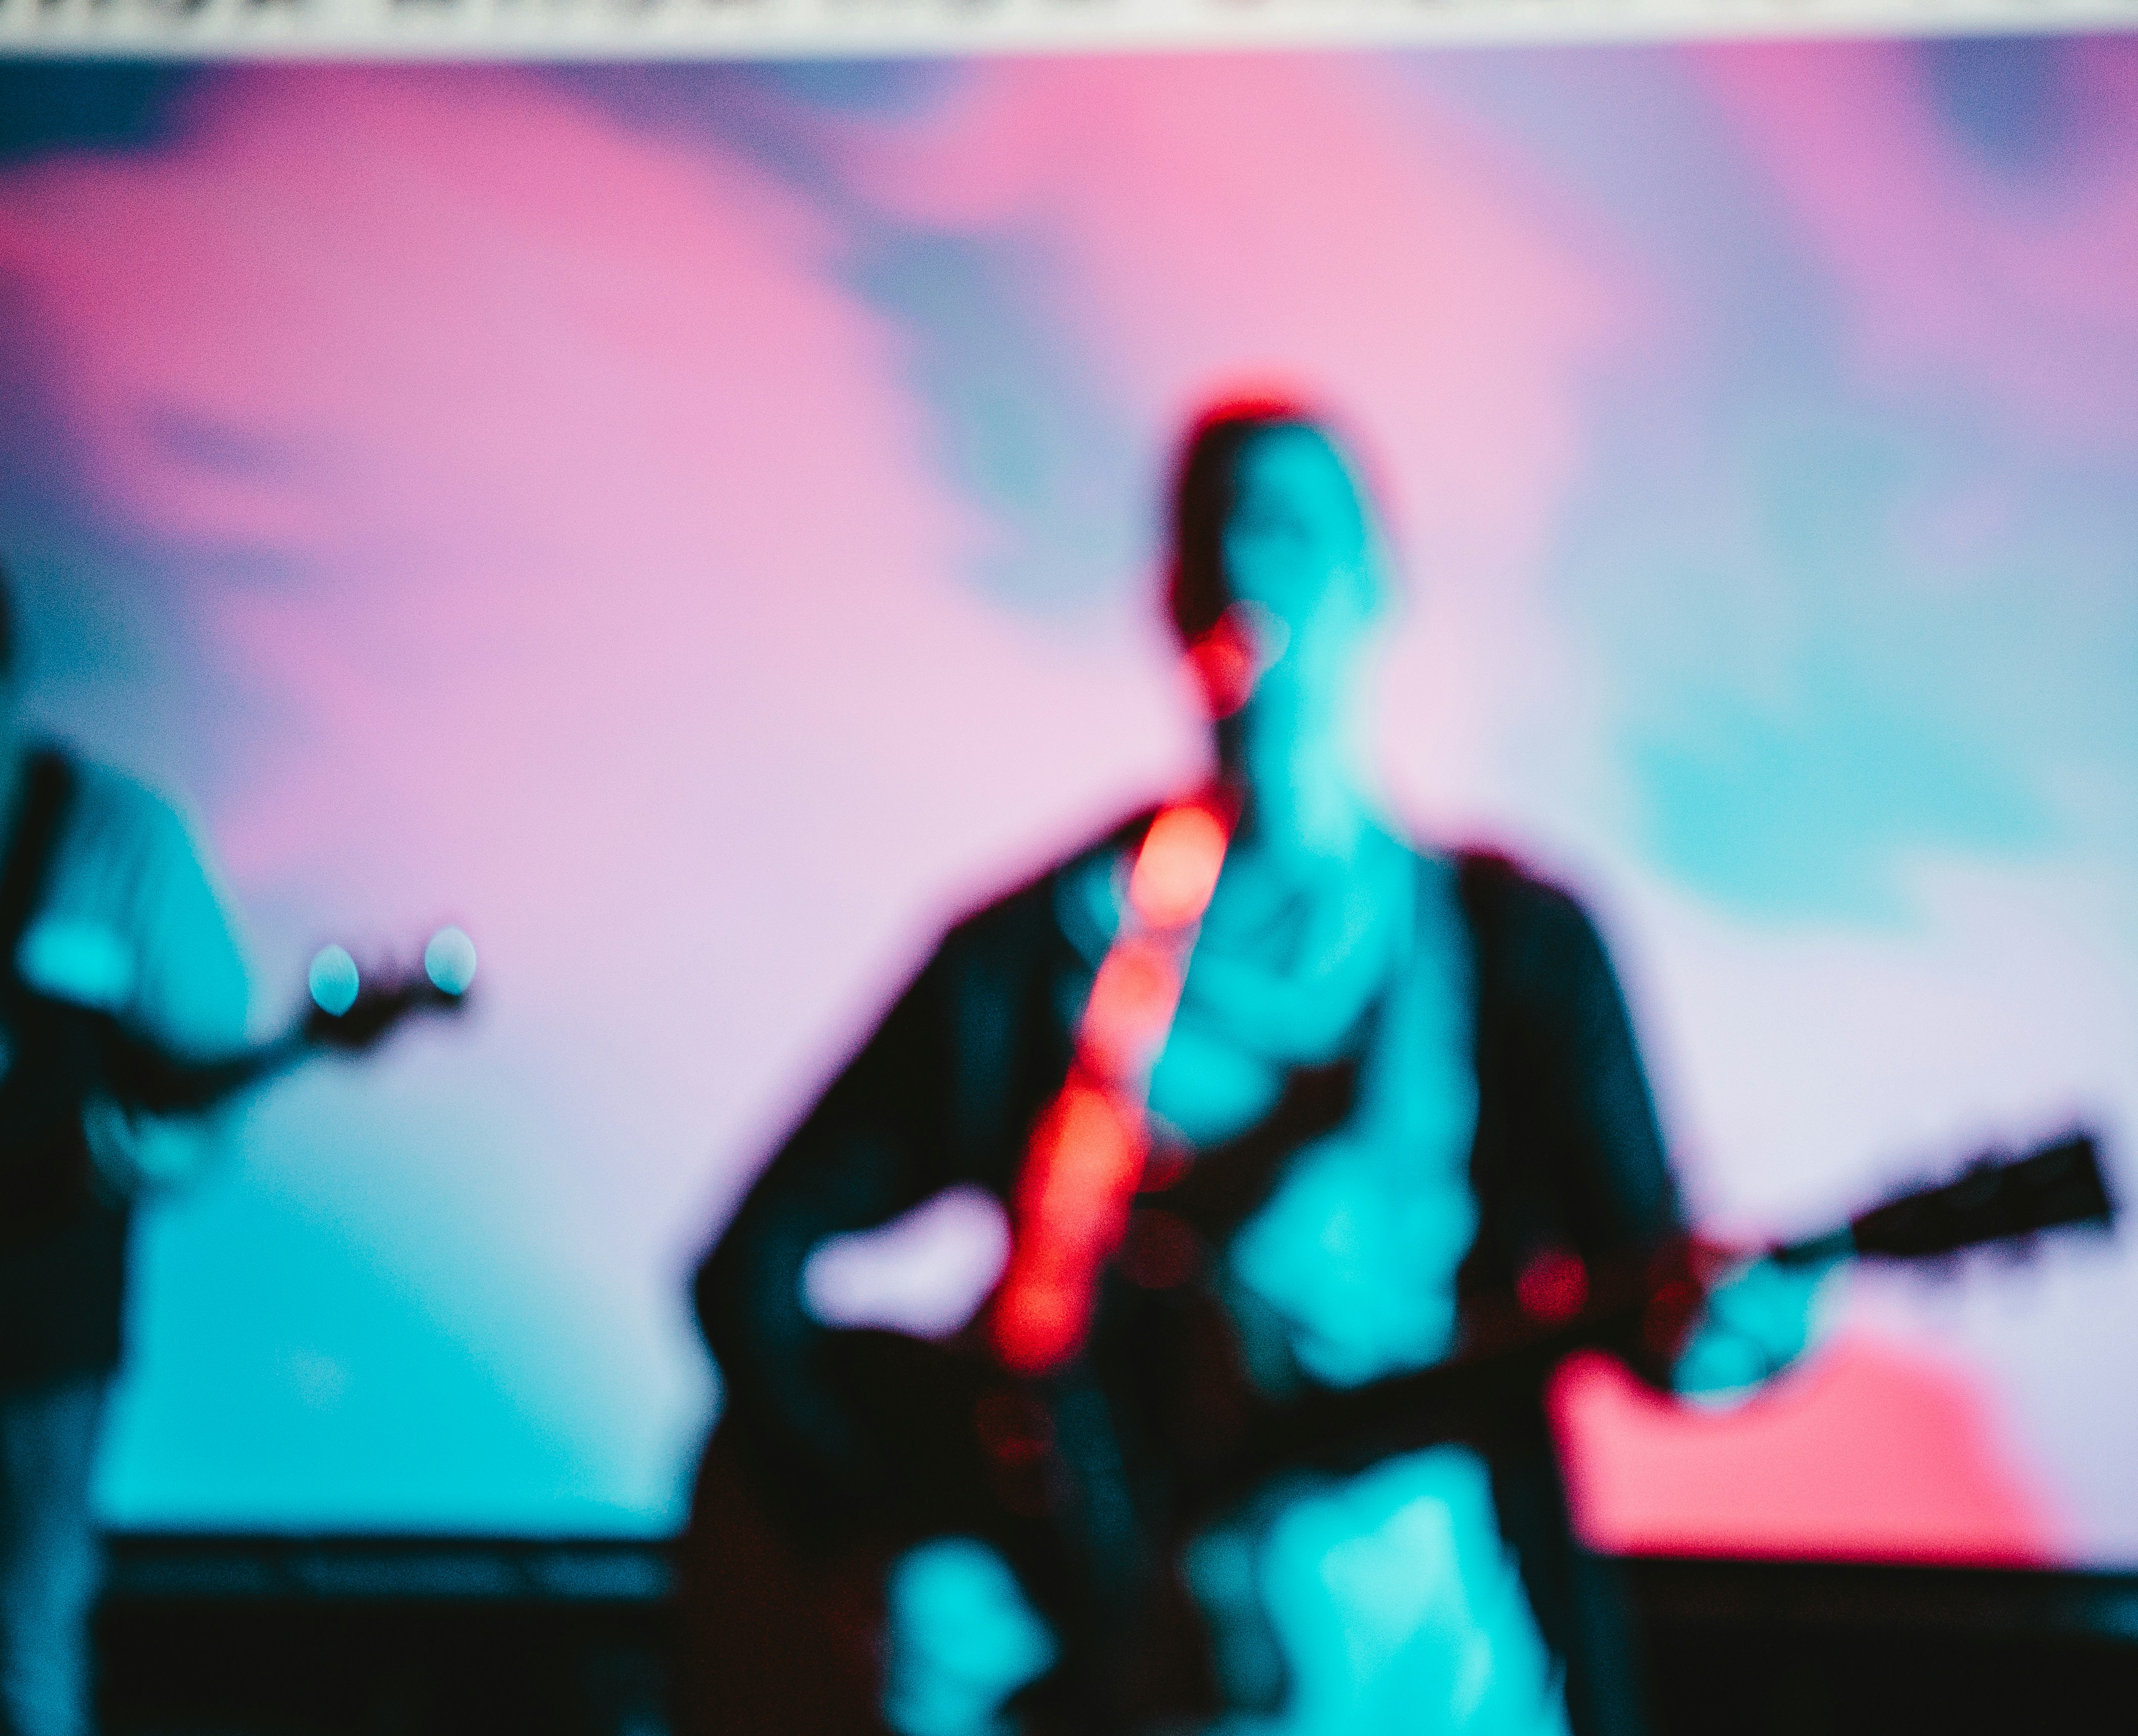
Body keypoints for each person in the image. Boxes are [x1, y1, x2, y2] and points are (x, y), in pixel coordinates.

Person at [690, 400, 1833, 1736]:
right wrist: (883, 1539)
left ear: (1376, 581)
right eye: (1216, 532)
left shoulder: (1516, 953)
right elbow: (746, 1273)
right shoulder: (1037, 955)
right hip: (1124, 1677)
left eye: (1291, 529)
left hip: (1437, 1684)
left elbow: (1653, 1295)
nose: (1251, 565)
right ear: (1169, 596)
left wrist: (1735, 1342)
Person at [0, 545, 251, 1736]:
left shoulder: (117, 837)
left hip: (38, 1321)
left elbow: (208, 1085)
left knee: (23, 1627)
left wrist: (138, 1152)